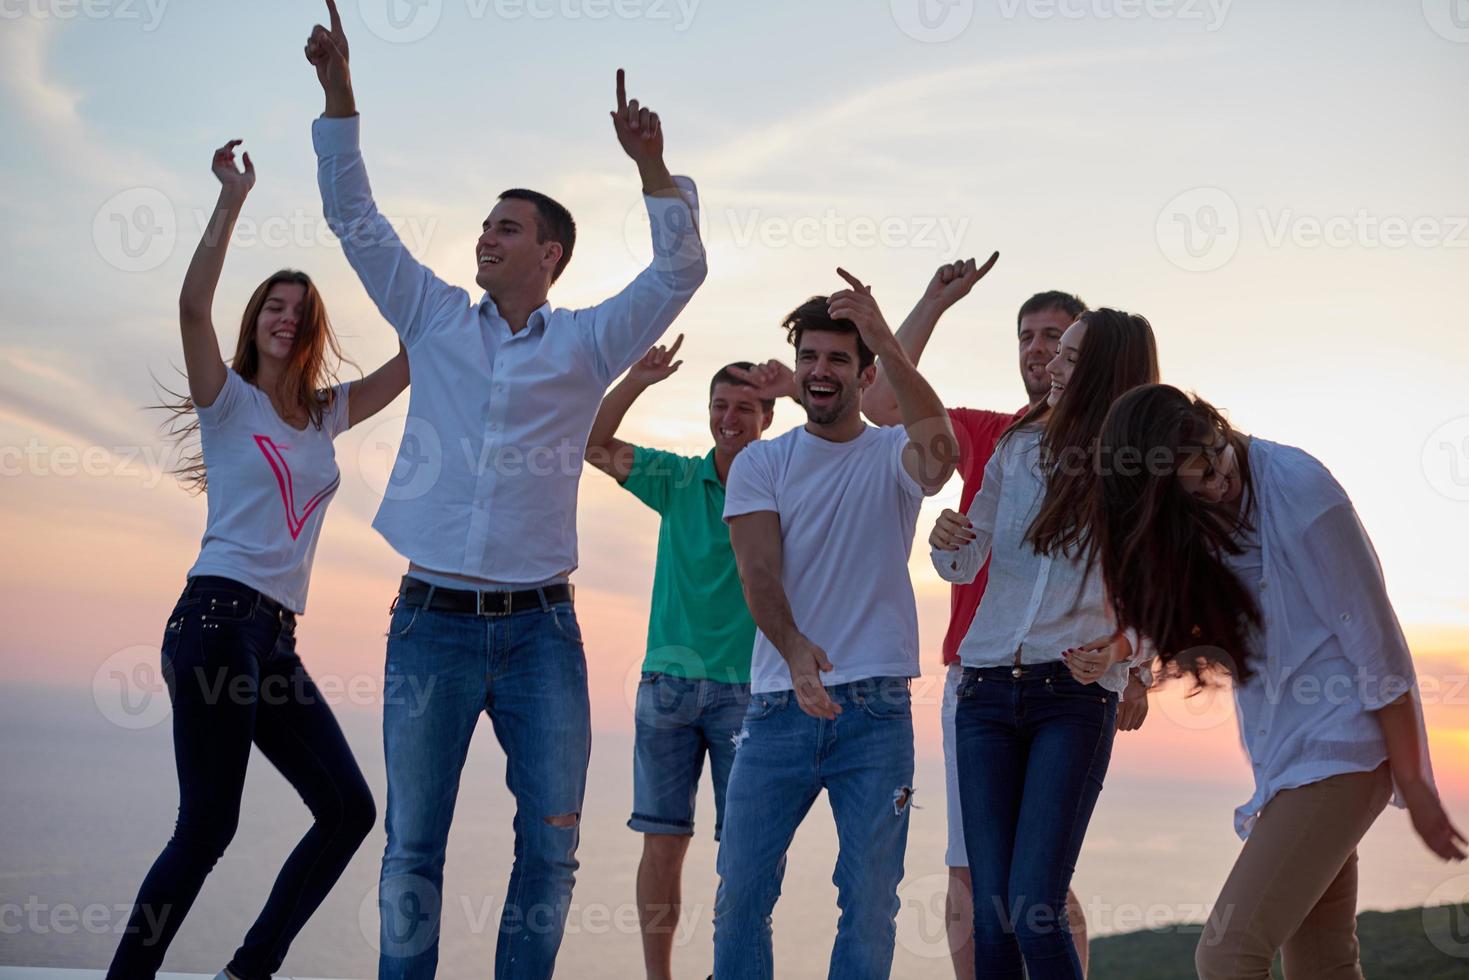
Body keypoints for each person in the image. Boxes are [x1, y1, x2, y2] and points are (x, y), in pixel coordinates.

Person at [303, 2, 707, 976]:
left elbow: (680, 265)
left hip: (540, 635)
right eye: (485, 223)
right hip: (430, 620)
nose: (486, 235)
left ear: (549, 254)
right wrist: (340, 95)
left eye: (507, 227)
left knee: (552, 845)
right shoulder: (433, 314)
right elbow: (354, 218)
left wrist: (652, 171)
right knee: (412, 845)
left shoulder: (583, 342)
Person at [107, 139, 409, 980]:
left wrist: (469, 305)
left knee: (348, 809)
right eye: (273, 304)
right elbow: (192, 308)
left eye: (298, 310)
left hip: (274, 637)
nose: (284, 316)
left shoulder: (322, 415)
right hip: (215, 622)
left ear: (310, 330)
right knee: (206, 828)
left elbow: (414, 359)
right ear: (257, 319)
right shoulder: (227, 400)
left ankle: (248, 969)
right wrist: (231, 201)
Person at [1091, 383, 1466, 980]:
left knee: (1226, 954)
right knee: (1322, 963)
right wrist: (1121, 650)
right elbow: (1175, 621)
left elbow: (1379, 646)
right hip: (1287, 758)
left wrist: (1416, 781)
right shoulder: (1193, 524)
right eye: (1198, 485)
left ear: (1214, 424)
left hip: (1347, 748)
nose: (1218, 483)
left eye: (1216, 459)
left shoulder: (1302, 492)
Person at [865, 266, 1150, 977]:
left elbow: (1164, 590)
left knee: (1033, 905)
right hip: (985, 691)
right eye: (1039, 344)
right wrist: (947, 543)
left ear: (1104, 368)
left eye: (1066, 349)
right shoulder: (1013, 446)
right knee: (989, 912)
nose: (1048, 360)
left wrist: (1123, 651)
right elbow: (963, 568)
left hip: (1071, 699)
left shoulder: (1141, 467)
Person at [715, 271, 957, 979]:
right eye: (809, 358)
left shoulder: (892, 456)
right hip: (777, 707)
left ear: (864, 373)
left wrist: (885, 331)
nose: (819, 371)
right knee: (741, 899)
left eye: (837, 359)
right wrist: (791, 650)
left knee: (869, 901)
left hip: (876, 712)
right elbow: (757, 572)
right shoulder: (762, 460)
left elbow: (940, 457)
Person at [584, 336, 793, 980]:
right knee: (663, 844)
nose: (730, 419)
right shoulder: (675, 479)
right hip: (667, 689)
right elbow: (592, 443)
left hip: (750, 695)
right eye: (720, 405)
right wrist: (637, 379)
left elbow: (850, 447)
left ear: (768, 419)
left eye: (746, 408)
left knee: (747, 853)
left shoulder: (789, 483)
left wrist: (787, 386)